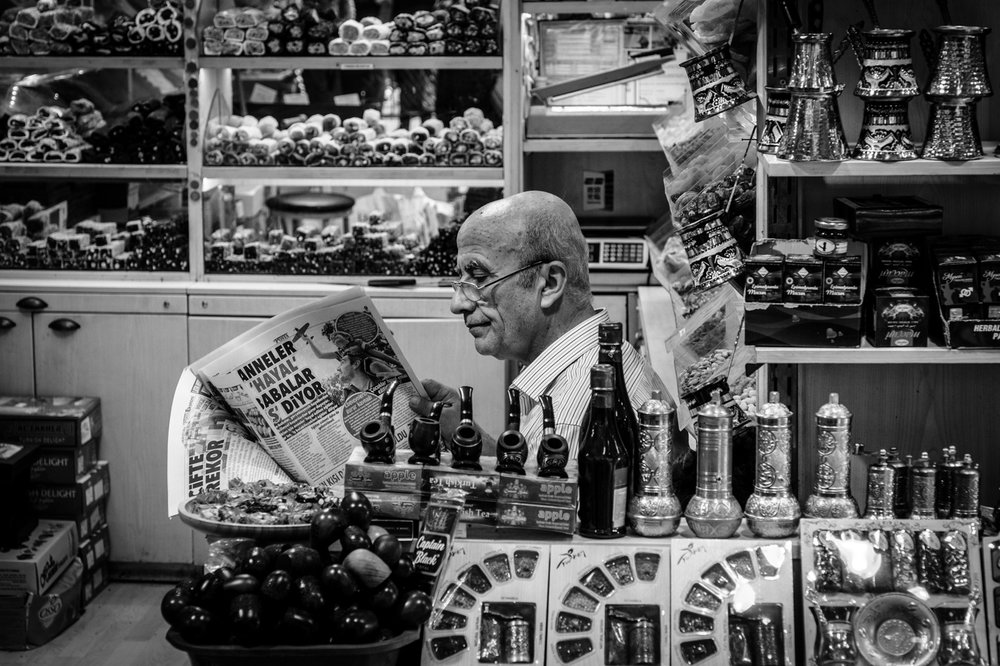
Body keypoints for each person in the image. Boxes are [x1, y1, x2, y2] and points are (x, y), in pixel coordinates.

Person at [408, 190, 654, 459]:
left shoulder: (567, 421)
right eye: (461, 280)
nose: (458, 304)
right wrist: (471, 441)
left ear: (549, 284)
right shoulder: (605, 358)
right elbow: (527, 482)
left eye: (478, 276)